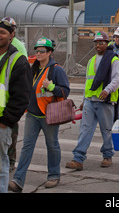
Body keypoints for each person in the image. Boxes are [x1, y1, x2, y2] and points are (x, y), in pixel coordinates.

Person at [9, 37, 69, 193]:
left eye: (42, 51)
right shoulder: (33, 69)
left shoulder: (56, 69)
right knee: (26, 147)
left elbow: (65, 91)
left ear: (50, 52)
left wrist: (52, 86)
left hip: (49, 116)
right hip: (33, 115)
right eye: (37, 50)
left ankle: (54, 175)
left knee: (52, 146)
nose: (38, 53)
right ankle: (18, 180)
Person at [66, 31, 119, 171]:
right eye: (96, 43)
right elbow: (88, 82)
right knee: (85, 130)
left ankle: (107, 155)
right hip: (90, 101)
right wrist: (85, 99)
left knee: (106, 130)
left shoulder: (113, 59)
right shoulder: (91, 61)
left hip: (104, 101)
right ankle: (78, 158)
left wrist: (107, 90)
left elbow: (117, 79)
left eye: (101, 43)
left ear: (107, 44)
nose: (98, 45)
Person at [0, 18, 31, 193]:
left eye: (2, 32)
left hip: (2, 122)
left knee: (1, 167)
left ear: (12, 35)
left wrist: (6, 122)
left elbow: (22, 97)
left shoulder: (18, 60)